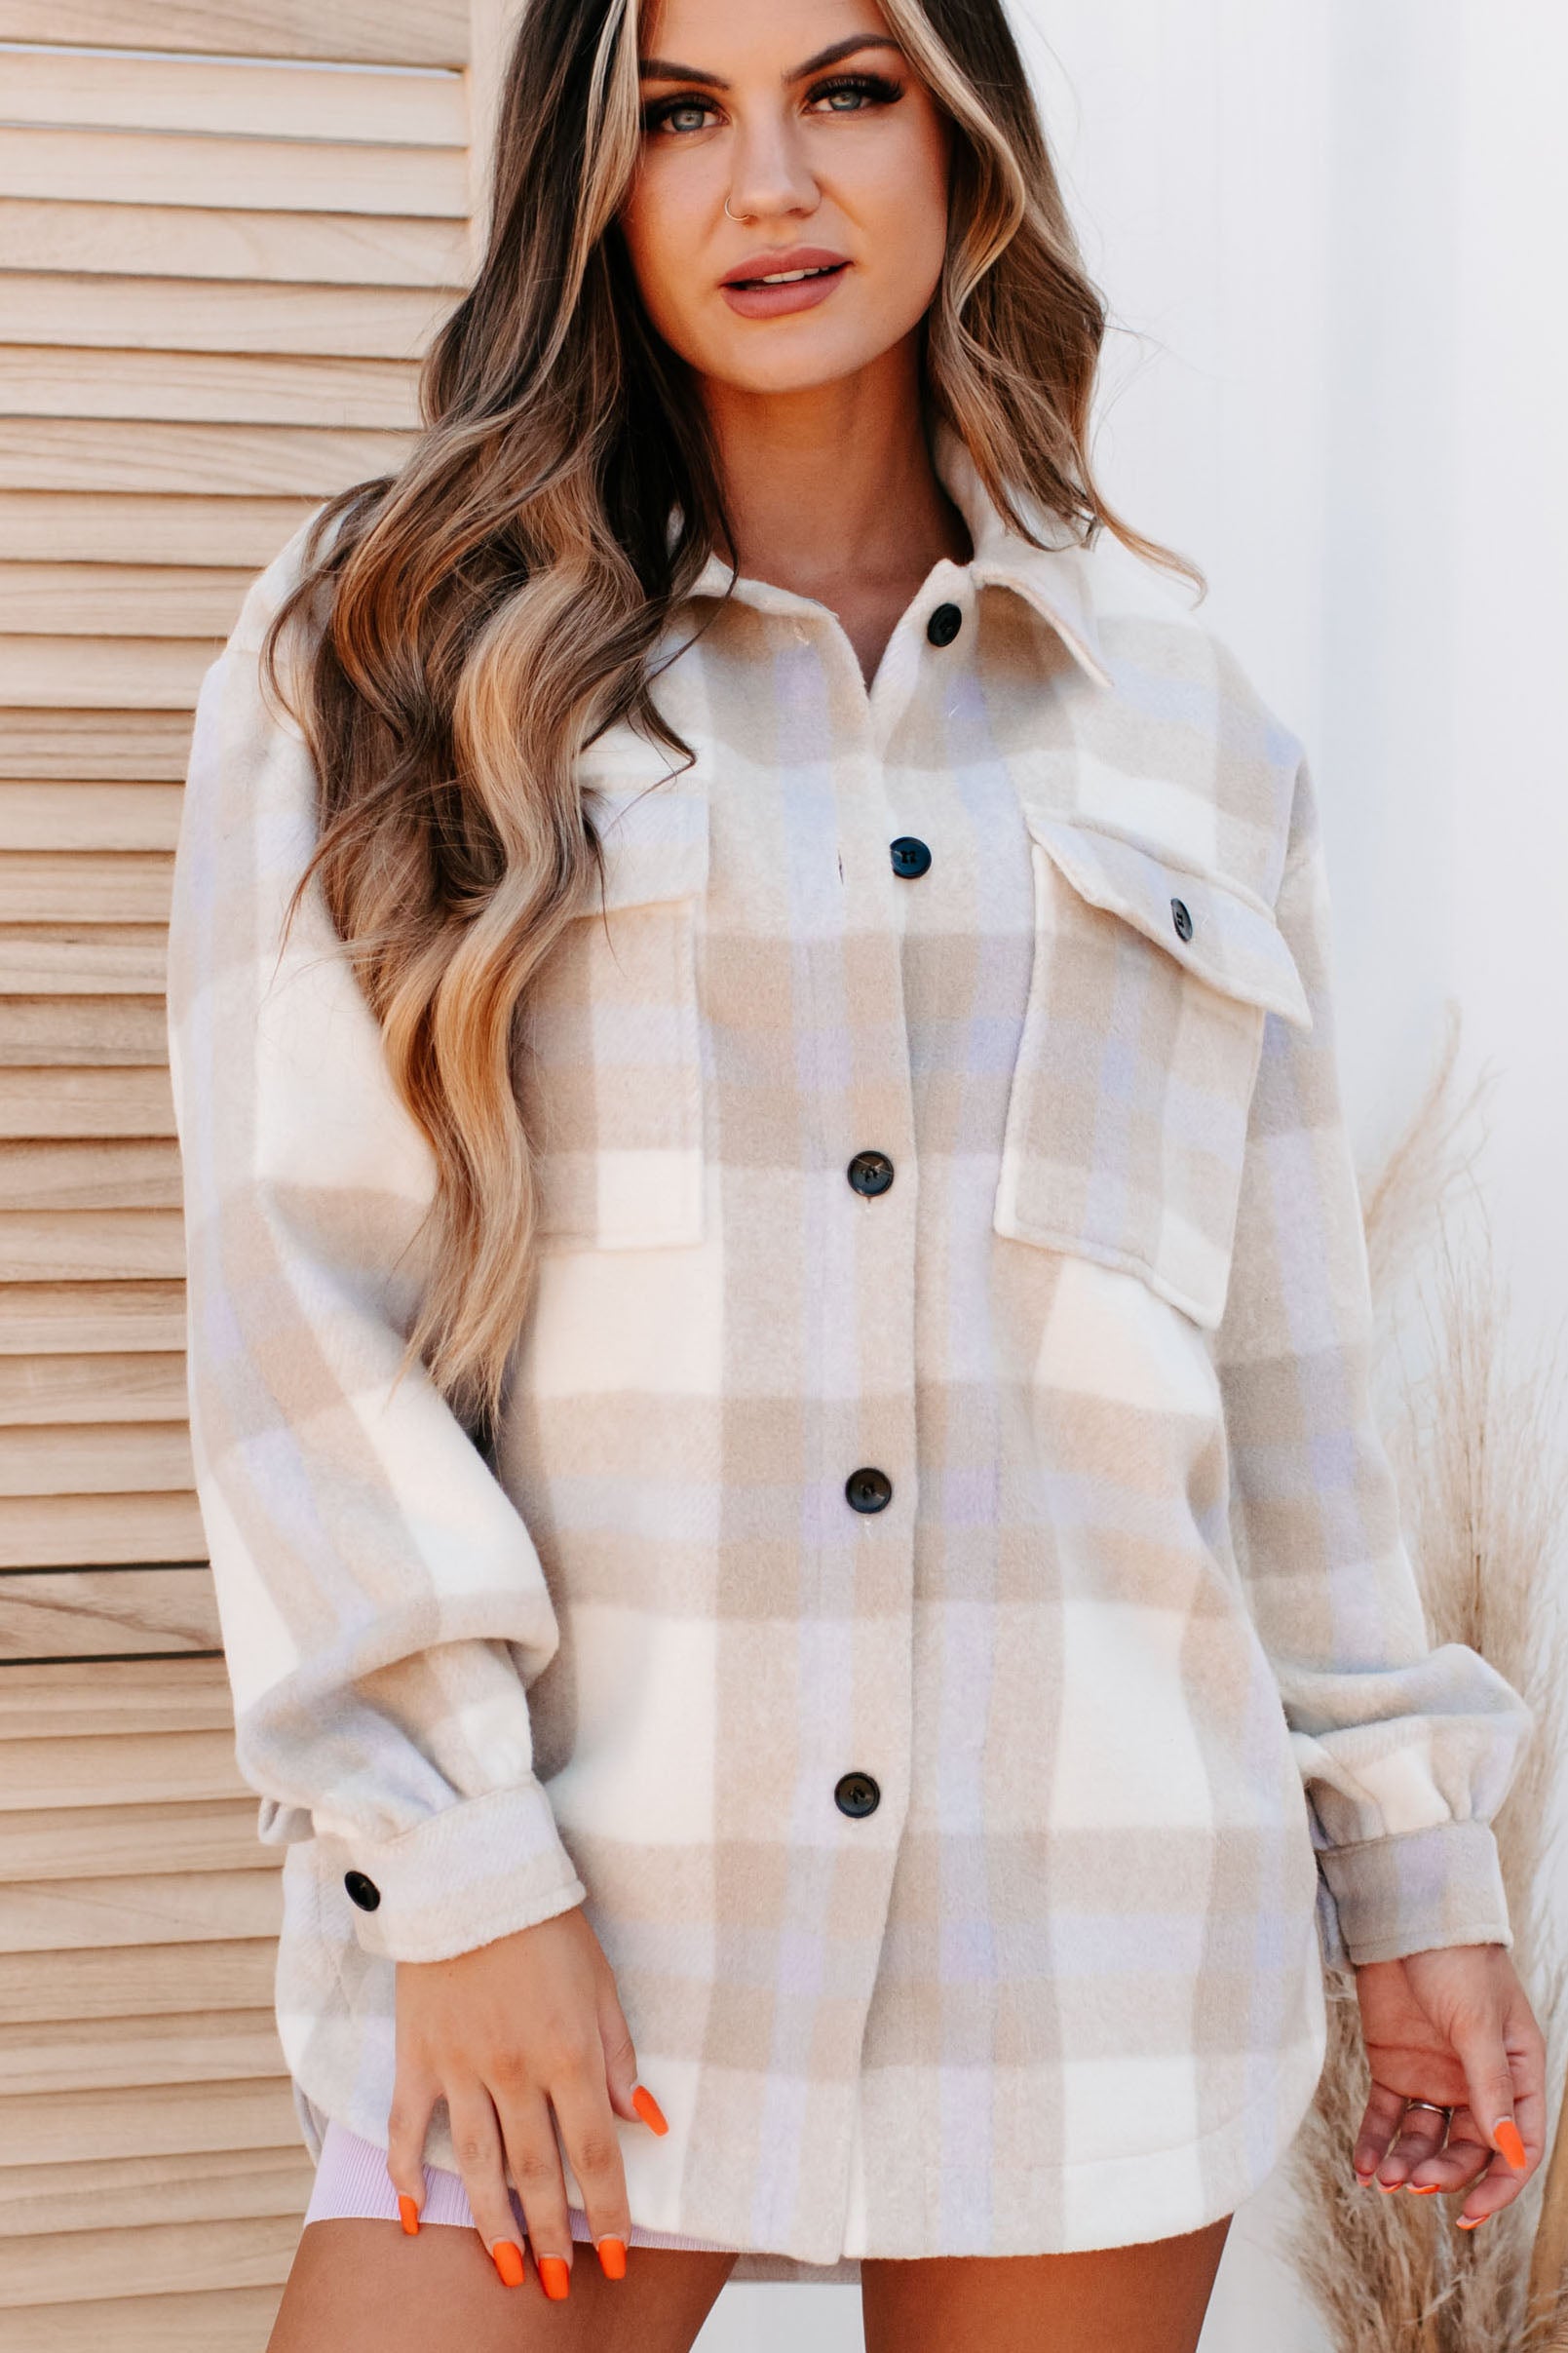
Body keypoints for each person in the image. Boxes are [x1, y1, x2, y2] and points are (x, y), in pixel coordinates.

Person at [165, 3, 1547, 2348]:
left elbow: (1283, 1391)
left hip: (1090, 1934)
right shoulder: (394, 648)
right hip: (582, 1896)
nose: (770, 184)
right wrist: (458, 1864)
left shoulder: (1186, 731)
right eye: (679, 115)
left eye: (846, 89)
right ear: (590, 179)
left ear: (960, 133)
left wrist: (1417, 1879)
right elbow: (304, 1299)